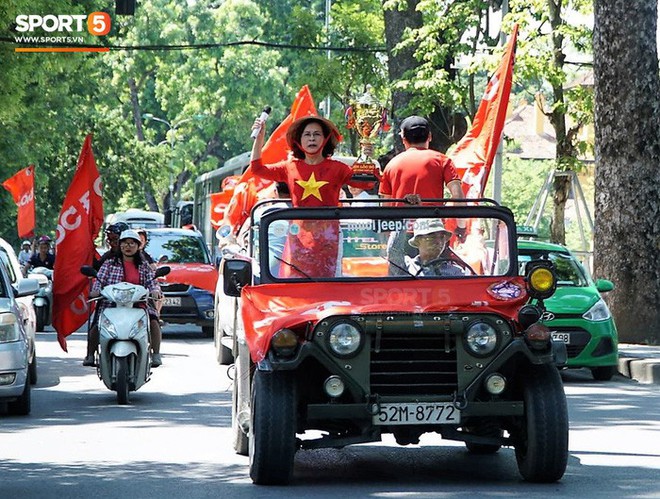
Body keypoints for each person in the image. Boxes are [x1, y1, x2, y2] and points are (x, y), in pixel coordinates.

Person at [250, 115, 369, 277]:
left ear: (325, 139)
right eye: (307, 134)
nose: (312, 138)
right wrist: (259, 138)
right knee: (296, 283)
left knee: (327, 284)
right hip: (298, 237)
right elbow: (257, 169)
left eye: (317, 134)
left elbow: (366, 183)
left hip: (329, 237)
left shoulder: (338, 168)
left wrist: (367, 160)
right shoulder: (289, 167)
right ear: (299, 139)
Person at [378, 116, 467, 274]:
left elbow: (385, 208)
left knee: (401, 281)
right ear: (430, 137)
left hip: (402, 235)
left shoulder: (391, 165)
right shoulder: (442, 160)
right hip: (434, 235)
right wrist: (461, 227)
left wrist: (388, 238)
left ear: (403, 139)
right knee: (439, 279)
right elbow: (458, 196)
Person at [84, 230, 164, 367]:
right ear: (120, 246)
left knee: (154, 322)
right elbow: (99, 280)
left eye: (132, 243)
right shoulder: (109, 264)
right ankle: (90, 355)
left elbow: (152, 282)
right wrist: (96, 291)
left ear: (138, 246)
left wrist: (155, 292)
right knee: (97, 324)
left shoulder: (143, 265)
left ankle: (155, 354)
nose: (128, 246)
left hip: (138, 304)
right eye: (125, 243)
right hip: (111, 304)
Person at [405, 219, 472, 277]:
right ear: (417, 241)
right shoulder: (406, 268)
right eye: (432, 237)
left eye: (442, 237)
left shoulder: (456, 272)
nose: (439, 242)